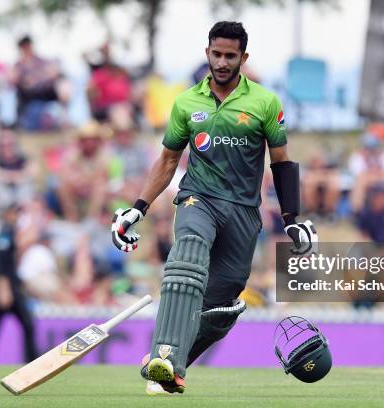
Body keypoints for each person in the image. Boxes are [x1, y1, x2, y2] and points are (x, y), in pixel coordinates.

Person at [110, 21, 316, 394]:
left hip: (243, 210)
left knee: (223, 306)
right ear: (207, 53)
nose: (222, 62)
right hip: (198, 199)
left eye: (230, 56)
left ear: (243, 58)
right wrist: (137, 209)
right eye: (216, 54)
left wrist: (292, 219)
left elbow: (282, 163)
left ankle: (169, 366)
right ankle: (166, 356)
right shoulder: (187, 102)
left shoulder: (265, 103)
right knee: (187, 255)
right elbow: (168, 161)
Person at [0, 205, 38, 363]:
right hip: (4, 286)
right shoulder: (4, 232)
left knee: (22, 325)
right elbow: (1, 262)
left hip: (10, 284)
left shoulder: (10, 232)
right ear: (8, 214)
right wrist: (3, 289)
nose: (17, 217)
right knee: (19, 325)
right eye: (15, 213)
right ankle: (31, 360)